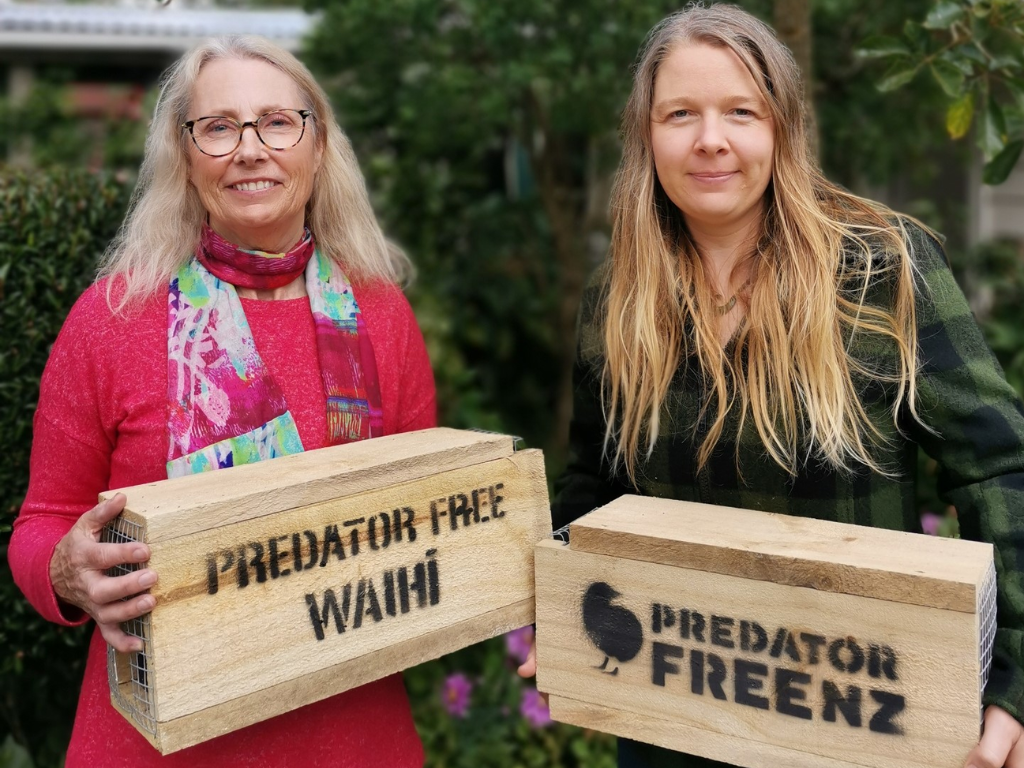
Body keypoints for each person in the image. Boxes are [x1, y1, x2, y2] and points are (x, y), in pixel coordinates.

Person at [519, 5, 1024, 768]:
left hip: (858, 717)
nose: (709, 139)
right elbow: (595, 487)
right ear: (646, 135)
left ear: (782, 128)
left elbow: (1000, 469)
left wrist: (1014, 681)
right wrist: (564, 614)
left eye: (740, 111)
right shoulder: (617, 298)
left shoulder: (883, 268)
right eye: (679, 113)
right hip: (671, 719)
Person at [8, 35, 435, 767]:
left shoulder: (380, 313)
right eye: (218, 127)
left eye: (277, 121)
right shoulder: (110, 319)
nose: (250, 150)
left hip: (352, 735)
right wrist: (66, 572)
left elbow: (427, 511)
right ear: (184, 155)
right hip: (156, 741)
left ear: (317, 142)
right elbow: (42, 524)